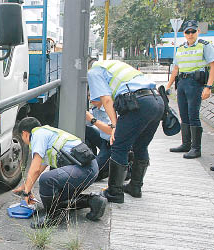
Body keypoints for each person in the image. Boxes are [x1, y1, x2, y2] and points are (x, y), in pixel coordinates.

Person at [87, 60, 164, 203]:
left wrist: (115, 125)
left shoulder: (93, 72)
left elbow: (105, 100)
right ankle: (135, 187)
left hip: (138, 103)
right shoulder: (114, 65)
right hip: (157, 100)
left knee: (118, 146)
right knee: (140, 146)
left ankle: (114, 193)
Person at [13, 117, 107, 229]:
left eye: (22, 137)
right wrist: (24, 187)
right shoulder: (47, 133)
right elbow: (38, 169)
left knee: (46, 180)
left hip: (84, 170)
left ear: (25, 134)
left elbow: (35, 168)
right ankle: (93, 201)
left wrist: (27, 193)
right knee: (56, 200)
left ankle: (53, 217)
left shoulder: (38, 134)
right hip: (88, 170)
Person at [165, 20, 214, 159]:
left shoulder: (204, 46)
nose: (191, 34)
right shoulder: (180, 48)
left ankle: (196, 148)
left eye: (193, 31)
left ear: (198, 31)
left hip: (195, 83)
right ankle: (186, 144)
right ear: (184, 33)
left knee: (193, 115)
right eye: (188, 32)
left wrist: (208, 87)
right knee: (184, 114)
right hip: (182, 83)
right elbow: (175, 69)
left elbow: (212, 66)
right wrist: (168, 86)